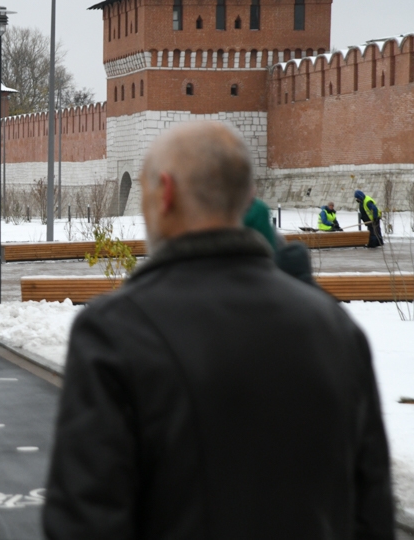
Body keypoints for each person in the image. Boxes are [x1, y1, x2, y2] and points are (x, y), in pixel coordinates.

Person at [44, 122, 393, 539]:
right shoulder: (336, 330)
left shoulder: (114, 334)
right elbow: (372, 515)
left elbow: (85, 523)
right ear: (246, 198)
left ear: (166, 193)